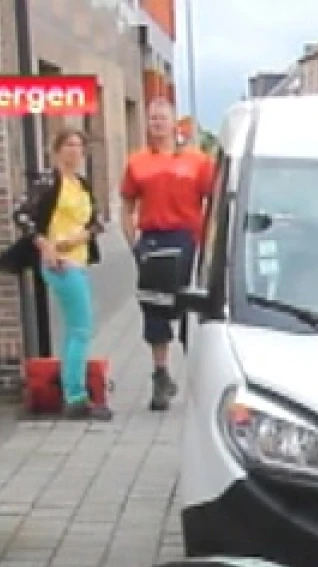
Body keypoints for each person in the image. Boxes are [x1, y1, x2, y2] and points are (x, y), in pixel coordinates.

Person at [120, 99, 214, 412]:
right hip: (153, 240)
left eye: (162, 118)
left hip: (187, 240)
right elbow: (126, 206)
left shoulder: (197, 161)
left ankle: (199, 381)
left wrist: (210, 243)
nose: (157, 123)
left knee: (191, 308)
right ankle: (160, 377)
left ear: (175, 123)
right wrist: (133, 243)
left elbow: (212, 202)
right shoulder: (137, 162)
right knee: (154, 308)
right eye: (152, 119)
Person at [11, 129, 108, 421]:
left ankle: (71, 390)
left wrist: (82, 236)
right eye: (68, 145)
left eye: (79, 146)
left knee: (76, 329)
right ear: (56, 150)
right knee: (82, 328)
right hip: (59, 263)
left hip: (78, 259)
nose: (74, 151)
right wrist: (45, 245)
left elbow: (96, 221)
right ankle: (76, 396)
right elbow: (22, 215)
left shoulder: (82, 185)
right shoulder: (49, 181)